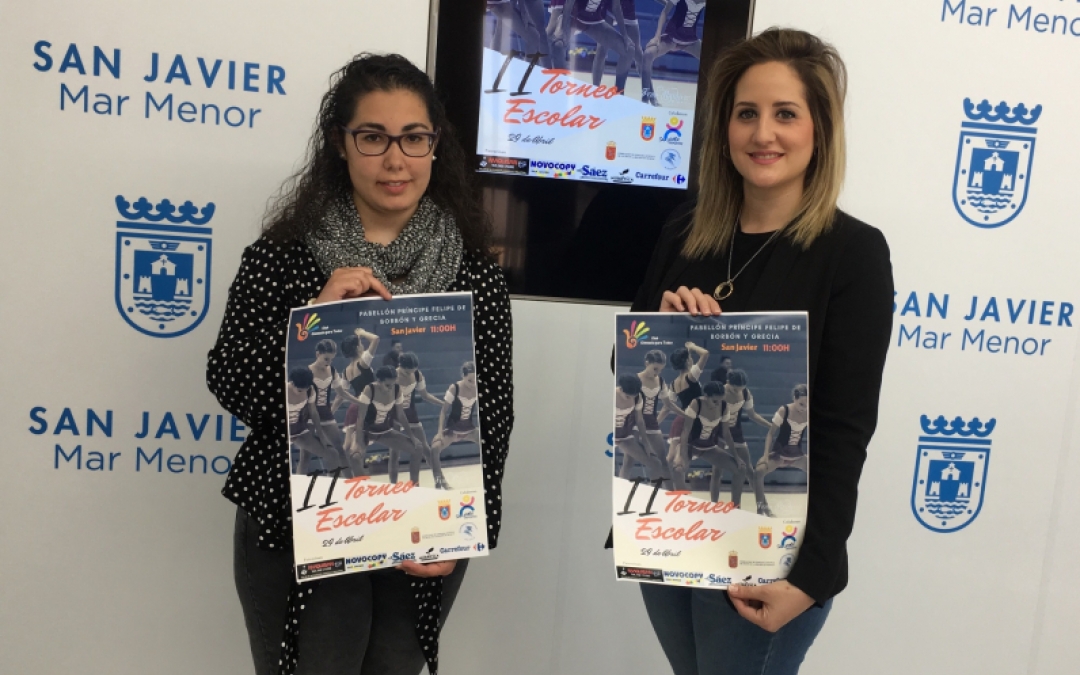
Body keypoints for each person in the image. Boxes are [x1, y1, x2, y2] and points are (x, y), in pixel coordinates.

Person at [207, 53, 513, 675]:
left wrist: (467, 530)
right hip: (298, 525)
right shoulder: (282, 257)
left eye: (413, 137)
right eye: (373, 137)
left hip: (421, 529)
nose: (395, 159)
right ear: (340, 144)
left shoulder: (474, 273)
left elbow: (493, 413)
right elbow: (231, 379)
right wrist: (313, 324)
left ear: (435, 146)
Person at [624, 28, 893, 675]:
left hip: (771, 553)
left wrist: (811, 573)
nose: (763, 133)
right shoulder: (686, 231)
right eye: (746, 113)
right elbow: (626, 371)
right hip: (674, 530)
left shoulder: (852, 253)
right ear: (724, 128)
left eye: (785, 114)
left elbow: (844, 427)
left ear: (820, 129)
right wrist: (658, 333)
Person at [352, 365, 425, 484]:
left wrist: (412, 437)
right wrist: (357, 442)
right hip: (366, 431)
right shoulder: (369, 389)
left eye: (393, 384)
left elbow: (401, 415)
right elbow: (360, 418)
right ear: (379, 381)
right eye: (387, 385)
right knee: (355, 456)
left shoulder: (396, 389)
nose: (390, 388)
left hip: (384, 431)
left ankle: (414, 485)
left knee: (418, 448)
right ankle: (362, 487)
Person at [395, 351, 453, 489]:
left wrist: (442, 404)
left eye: (412, 371)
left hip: (410, 413)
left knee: (426, 449)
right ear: (400, 366)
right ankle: (398, 485)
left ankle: (440, 480)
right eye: (406, 372)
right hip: (394, 414)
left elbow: (425, 395)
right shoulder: (393, 376)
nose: (409, 374)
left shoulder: (417, 374)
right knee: (394, 454)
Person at [677, 381, 742, 503]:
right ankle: (681, 502)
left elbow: (727, 434)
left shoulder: (723, 406)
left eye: (720, 401)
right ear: (706, 396)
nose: (718, 404)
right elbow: (685, 432)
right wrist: (681, 456)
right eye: (715, 401)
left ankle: (736, 506)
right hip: (691, 445)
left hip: (708, 447)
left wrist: (737, 457)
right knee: (678, 468)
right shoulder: (696, 404)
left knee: (740, 469)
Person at [754, 384, 809, 518]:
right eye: (801, 404)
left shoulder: (808, 412)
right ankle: (763, 509)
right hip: (780, 454)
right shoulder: (784, 410)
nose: (804, 407)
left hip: (797, 456)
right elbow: (770, 434)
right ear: (794, 398)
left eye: (807, 404)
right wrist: (765, 456)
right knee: (758, 472)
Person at [641, 0, 707, 106]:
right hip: (672, 38)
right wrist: (657, 36)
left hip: (691, 41)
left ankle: (709, 101)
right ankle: (647, 96)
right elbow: (665, 12)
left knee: (713, 60)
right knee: (648, 54)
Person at [665, 342, 709, 489]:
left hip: (679, 420)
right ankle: (678, 491)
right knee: (681, 461)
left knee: (671, 459)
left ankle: (671, 489)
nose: (692, 359)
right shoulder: (691, 376)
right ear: (687, 361)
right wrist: (692, 346)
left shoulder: (673, 384)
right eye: (690, 357)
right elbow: (705, 353)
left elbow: (668, 406)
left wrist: (656, 420)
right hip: (692, 421)